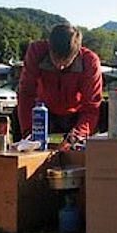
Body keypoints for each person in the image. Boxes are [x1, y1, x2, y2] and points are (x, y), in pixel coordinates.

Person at [12, 23, 103, 152]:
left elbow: (92, 106)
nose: (60, 66)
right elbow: (26, 93)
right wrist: (29, 132)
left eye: (66, 61)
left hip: (76, 114)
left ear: (77, 53)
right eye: (55, 59)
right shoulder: (36, 51)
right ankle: (21, 157)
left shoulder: (90, 61)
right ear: (49, 48)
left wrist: (77, 135)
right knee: (17, 112)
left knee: (104, 111)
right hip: (44, 112)